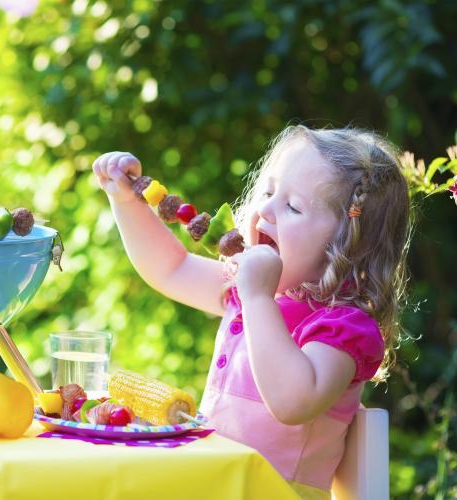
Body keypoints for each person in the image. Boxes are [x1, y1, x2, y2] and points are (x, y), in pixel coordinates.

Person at [91, 125, 410, 499]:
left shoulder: (343, 328)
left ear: (346, 245)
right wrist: (126, 203)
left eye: (293, 207)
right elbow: (170, 270)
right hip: (214, 486)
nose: (267, 210)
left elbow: (294, 402)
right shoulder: (246, 289)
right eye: (269, 192)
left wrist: (258, 298)